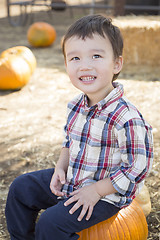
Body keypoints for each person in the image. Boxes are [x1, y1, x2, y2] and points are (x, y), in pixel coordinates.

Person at [5, 14, 153, 240]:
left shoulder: (126, 117)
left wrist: (96, 190)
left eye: (96, 56)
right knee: (20, 188)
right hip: (74, 178)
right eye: (75, 58)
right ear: (65, 64)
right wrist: (60, 168)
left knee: (50, 224)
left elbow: (137, 168)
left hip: (106, 195)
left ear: (116, 64)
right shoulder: (75, 105)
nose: (84, 66)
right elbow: (69, 141)